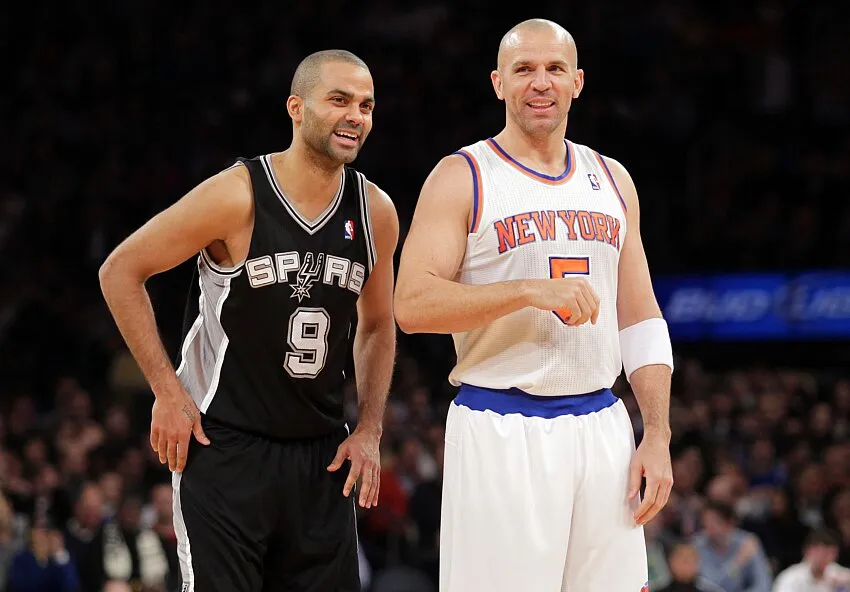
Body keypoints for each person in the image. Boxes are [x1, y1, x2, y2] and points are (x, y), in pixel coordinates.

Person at [99, 49, 399, 592]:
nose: (356, 115)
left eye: (367, 105)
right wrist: (167, 391)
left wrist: (370, 429)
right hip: (226, 449)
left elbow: (377, 324)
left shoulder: (375, 211)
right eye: (339, 100)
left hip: (322, 457)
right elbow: (120, 271)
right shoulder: (237, 194)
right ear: (296, 108)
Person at [394, 18, 674, 591]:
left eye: (554, 69)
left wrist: (659, 436)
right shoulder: (463, 175)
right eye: (524, 69)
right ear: (498, 83)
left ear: (577, 81)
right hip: (502, 424)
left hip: (603, 425)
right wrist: (525, 290)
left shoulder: (612, 178)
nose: (539, 82)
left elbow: (642, 317)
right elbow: (412, 304)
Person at [692, 500, 773, 592]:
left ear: (730, 523)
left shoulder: (747, 542)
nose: (709, 528)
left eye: (714, 523)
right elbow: (710, 585)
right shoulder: (698, 545)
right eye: (705, 523)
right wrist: (737, 563)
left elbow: (763, 583)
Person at [773, 528, 850, 591]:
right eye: (823, 553)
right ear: (808, 551)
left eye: (832, 553)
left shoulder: (839, 574)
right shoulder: (790, 578)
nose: (827, 558)